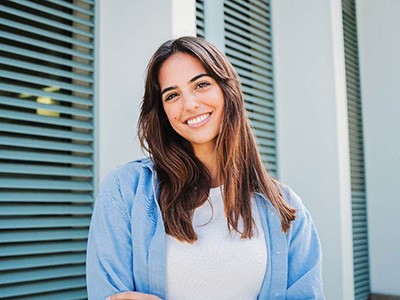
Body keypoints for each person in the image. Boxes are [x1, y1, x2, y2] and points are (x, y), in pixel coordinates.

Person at [86, 36, 324, 300]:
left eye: (201, 84)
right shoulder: (124, 191)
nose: (189, 104)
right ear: (162, 110)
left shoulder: (285, 208)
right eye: (172, 95)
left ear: (227, 90)